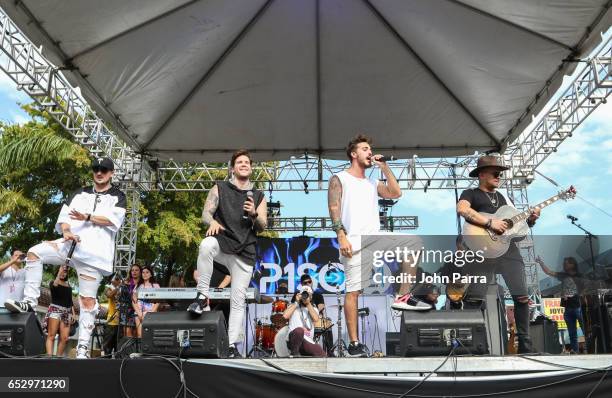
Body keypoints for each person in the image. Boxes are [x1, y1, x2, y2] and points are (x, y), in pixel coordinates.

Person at [4, 157, 126, 359]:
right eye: (96, 168)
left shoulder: (118, 196)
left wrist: (87, 217)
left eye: (104, 169)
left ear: (111, 173)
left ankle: (83, 349)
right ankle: (30, 302)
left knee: (87, 301)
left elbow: (113, 221)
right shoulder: (79, 193)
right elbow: (64, 219)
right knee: (34, 252)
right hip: (69, 245)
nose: (99, 172)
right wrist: (67, 231)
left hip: (93, 256)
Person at [327, 134, 430, 357]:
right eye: (365, 149)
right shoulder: (339, 178)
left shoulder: (373, 182)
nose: (369, 152)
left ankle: (402, 296)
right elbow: (333, 207)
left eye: (370, 149)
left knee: (415, 242)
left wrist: (384, 167)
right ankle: (354, 344)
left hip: (376, 238)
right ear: (354, 154)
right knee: (354, 291)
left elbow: (396, 193)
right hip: (353, 242)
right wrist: (341, 235)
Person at [188, 149, 268, 358]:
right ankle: (202, 295)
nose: (244, 164)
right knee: (206, 245)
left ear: (251, 168)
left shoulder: (258, 195)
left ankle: (232, 345)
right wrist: (212, 221)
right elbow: (206, 213)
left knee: (238, 300)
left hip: (245, 251)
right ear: (232, 168)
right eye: (239, 162)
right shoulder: (220, 187)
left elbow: (262, 226)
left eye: (247, 162)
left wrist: (254, 214)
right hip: (223, 242)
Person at [456, 155, 540, 354]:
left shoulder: (503, 198)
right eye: (495, 172)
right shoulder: (471, 193)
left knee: (522, 298)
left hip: (508, 252)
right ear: (482, 174)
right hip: (483, 252)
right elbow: (462, 209)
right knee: (475, 299)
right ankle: (473, 345)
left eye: (500, 173)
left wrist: (530, 221)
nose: (499, 175)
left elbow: (515, 233)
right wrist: (489, 223)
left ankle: (525, 346)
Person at [536, 256, 585, 353]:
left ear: (573, 264)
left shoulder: (579, 275)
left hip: (578, 307)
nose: (565, 265)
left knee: (585, 330)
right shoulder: (563, 275)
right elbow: (549, 272)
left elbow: (584, 289)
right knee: (572, 333)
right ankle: (575, 351)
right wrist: (541, 263)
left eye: (567, 263)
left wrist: (575, 294)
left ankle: (589, 349)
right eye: (564, 263)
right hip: (567, 308)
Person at [290, 274, 334, 356]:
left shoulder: (317, 294)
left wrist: (312, 309)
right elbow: (293, 307)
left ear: (312, 282)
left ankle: (330, 351)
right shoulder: (298, 294)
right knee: (298, 330)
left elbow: (321, 306)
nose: (307, 284)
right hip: (302, 319)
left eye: (309, 282)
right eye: (305, 283)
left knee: (327, 324)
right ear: (302, 285)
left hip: (314, 318)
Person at [282, 285, 326, 357]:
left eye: (308, 295)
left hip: (306, 341)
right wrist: (296, 302)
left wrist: (308, 303)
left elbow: (316, 319)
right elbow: (285, 316)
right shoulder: (293, 306)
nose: (305, 296)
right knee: (299, 330)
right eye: (304, 294)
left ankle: (302, 355)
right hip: (293, 339)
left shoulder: (313, 308)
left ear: (311, 296)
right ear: (300, 295)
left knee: (320, 352)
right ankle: (294, 353)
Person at [43, 266, 75, 356]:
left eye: (65, 272)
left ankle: (58, 358)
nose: (63, 273)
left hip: (66, 312)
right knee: (51, 336)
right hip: (55, 310)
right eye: (61, 271)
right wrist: (59, 272)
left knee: (64, 338)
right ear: (57, 271)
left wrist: (73, 314)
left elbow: (70, 301)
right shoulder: (53, 282)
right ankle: (49, 357)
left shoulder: (68, 286)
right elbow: (55, 286)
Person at [132, 265, 160, 338]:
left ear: (151, 274)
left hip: (151, 314)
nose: (145, 274)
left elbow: (158, 301)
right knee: (140, 335)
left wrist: (151, 312)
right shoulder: (138, 285)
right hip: (139, 314)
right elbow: (134, 301)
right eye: (143, 272)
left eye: (147, 272)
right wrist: (139, 314)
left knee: (150, 336)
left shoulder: (155, 286)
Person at [118, 264, 141, 337]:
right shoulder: (125, 283)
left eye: (136, 270)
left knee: (137, 332)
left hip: (138, 309)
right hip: (126, 310)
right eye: (132, 270)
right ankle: (129, 348)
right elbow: (120, 297)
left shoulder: (142, 284)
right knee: (127, 332)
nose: (134, 272)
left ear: (140, 272)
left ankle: (136, 348)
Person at [102, 272, 122, 355]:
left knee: (119, 347)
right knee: (108, 346)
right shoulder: (108, 288)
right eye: (116, 279)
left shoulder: (123, 288)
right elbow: (109, 295)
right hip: (112, 321)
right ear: (111, 280)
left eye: (119, 279)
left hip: (122, 321)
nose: (118, 280)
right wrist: (118, 287)